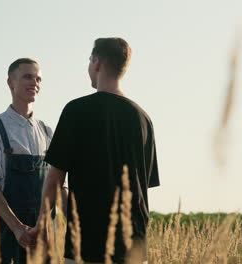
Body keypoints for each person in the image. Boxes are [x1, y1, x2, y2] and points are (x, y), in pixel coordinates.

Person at [30, 38, 160, 264]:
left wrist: (42, 225)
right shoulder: (143, 119)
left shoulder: (76, 110)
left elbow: (54, 179)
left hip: (87, 246)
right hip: (134, 249)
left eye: (90, 60)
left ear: (97, 62)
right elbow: (143, 185)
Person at [0, 58, 68, 264]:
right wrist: (18, 229)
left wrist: (77, 225)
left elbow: (60, 186)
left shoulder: (47, 132)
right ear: (10, 82)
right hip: (9, 236)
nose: (35, 83)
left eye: (38, 79)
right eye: (28, 76)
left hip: (45, 236)